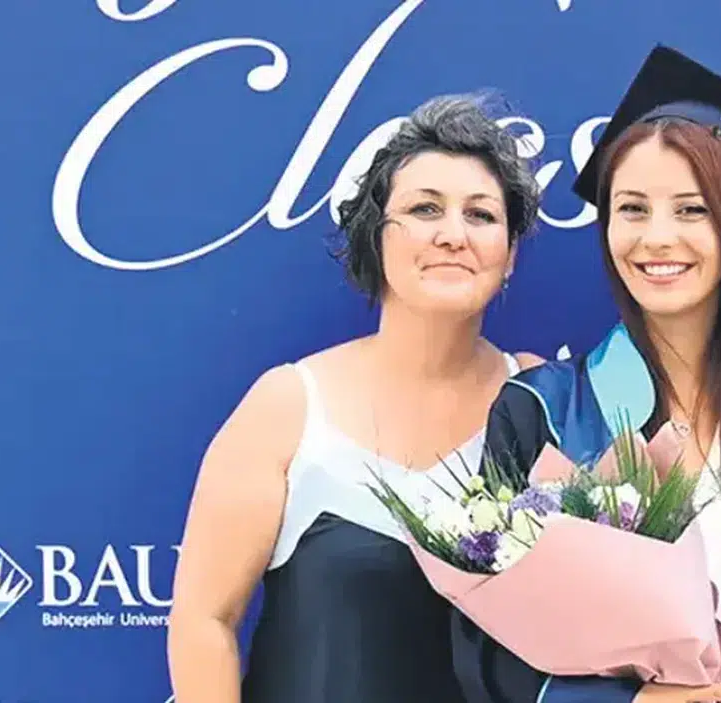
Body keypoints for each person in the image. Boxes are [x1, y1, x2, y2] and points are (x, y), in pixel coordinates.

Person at [451, 46, 721, 703]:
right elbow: (480, 645)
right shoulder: (544, 411)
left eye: (693, 209)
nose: (656, 237)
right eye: (632, 208)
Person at [166, 94, 547, 703]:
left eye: (481, 215)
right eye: (424, 209)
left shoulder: (542, 400)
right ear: (375, 238)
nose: (453, 235)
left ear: (509, 256)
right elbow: (203, 622)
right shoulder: (289, 407)